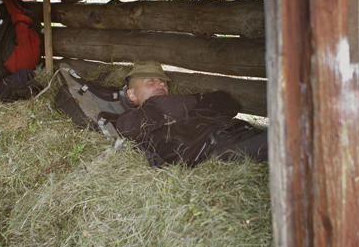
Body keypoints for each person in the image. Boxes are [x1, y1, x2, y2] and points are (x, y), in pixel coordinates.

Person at [112, 61, 267, 167]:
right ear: (132, 95)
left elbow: (226, 101)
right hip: (217, 150)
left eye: (163, 82)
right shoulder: (132, 119)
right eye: (151, 81)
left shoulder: (183, 105)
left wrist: (189, 109)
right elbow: (128, 126)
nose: (161, 83)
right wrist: (196, 101)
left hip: (238, 132)